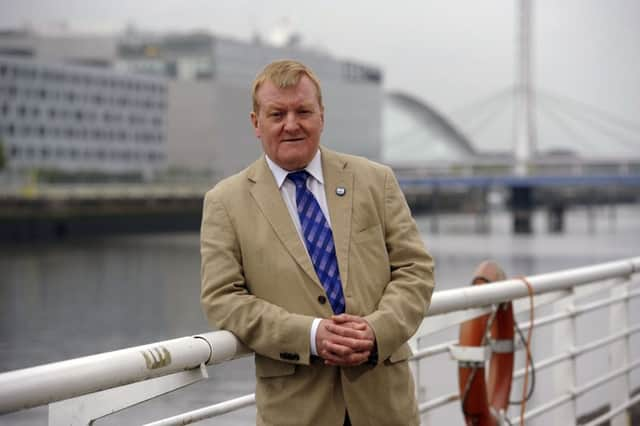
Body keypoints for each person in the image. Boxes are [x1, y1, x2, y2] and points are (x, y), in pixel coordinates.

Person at [200, 59, 435, 426]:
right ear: (255, 123)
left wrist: (376, 330)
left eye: (303, 111)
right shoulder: (225, 203)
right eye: (277, 113)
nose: (291, 124)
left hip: (385, 407)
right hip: (295, 411)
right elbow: (223, 298)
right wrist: (309, 335)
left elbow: (415, 270)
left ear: (321, 116)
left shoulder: (376, 181)